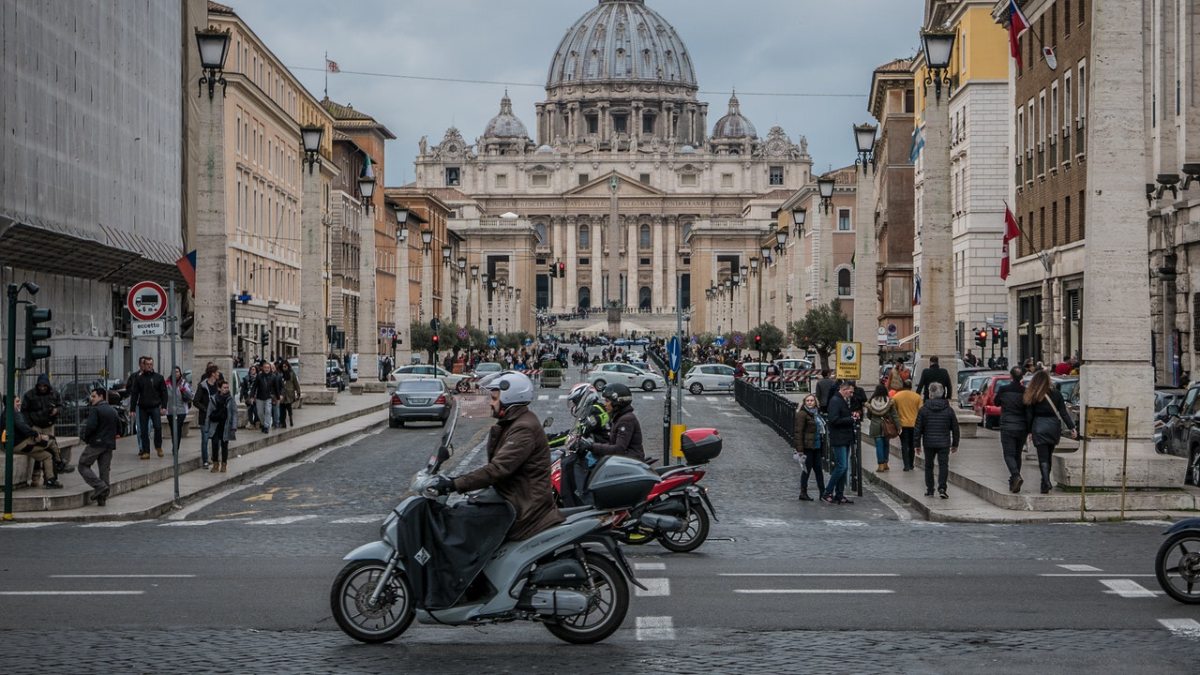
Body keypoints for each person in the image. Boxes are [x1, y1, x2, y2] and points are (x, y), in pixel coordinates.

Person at [432, 372, 564, 541]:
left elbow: (498, 469)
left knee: (462, 522)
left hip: (523, 507)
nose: (490, 403)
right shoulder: (515, 422)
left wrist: (454, 484)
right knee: (465, 510)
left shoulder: (523, 428)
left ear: (509, 399)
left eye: (494, 398)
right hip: (514, 497)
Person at [1024, 370, 1078, 494]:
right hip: (1053, 426)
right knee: (1049, 455)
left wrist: (1029, 431)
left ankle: (1046, 481)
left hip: (1039, 425)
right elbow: (1063, 413)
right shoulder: (1056, 394)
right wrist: (1072, 427)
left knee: (1042, 457)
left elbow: (1029, 415)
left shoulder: (1033, 395)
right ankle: (1045, 482)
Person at [914, 382, 960, 499]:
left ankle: (930, 489)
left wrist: (917, 444)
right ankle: (942, 488)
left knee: (929, 466)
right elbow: (955, 428)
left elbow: (918, 428)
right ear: (943, 393)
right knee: (943, 465)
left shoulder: (924, 410)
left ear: (930, 394)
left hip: (928, 442)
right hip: (944, 442)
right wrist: (955, 443)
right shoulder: (949, 410)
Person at [578, 383, 645, 462]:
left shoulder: (626, 420)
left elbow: (619, 449)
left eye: (607, 401)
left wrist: (591, 446)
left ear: (617, 402)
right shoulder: (618, 417)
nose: (605, 404)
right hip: (624, 459)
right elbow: (612, 444)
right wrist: (592, 445)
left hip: (630, 461)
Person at [22, 373, 72, 475]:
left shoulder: (54, 394)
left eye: (44, 386)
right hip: (35, 426)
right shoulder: (29, 395)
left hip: (49, 426)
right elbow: (24, 411)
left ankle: (51, 475)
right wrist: (31, 425)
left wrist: (57, 410)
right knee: (38, 450)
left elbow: (62, 406)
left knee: (51, 449)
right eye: (40, 386)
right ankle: (37, 475)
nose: (42, 388)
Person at [8, 395, 63, 489]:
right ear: (10, 403)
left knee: (47, 455)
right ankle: (60, 463)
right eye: (17, 401)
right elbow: (23, 428)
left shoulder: (8, 413)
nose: (19, 403)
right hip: (20, 445)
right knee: (51, 440)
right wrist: (37, 435)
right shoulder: (15, 414)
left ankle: (50, 480)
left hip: (17, 445)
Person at [78, 387, 118, 505]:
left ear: (101, 396)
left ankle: (100, 486)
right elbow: (119, 428)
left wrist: (86, 438)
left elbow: (90, 426)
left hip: (96, 443)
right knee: (104, 471)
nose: (91, 399)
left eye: (94, 396)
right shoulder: (113, 410)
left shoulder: (96, 410)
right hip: (109, 444)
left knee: (83, 465)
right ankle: (102, 499)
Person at [821, 381, 857, 505]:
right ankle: (827, 492)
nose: (851, 394)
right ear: (844, 389)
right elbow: (834, 420)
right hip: (839, 438)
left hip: (845, 437)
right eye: (850, 392)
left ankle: (839, 494)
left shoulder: (841, 400)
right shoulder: (836, 401)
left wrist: (851, 416)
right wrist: (850, 419)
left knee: (844, 467)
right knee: (842, 466)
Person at [995, 367, 1030, 493]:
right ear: (1022, 377)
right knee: (1017, 454)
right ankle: (1014, 481)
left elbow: (996, 402)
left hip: (1007, 425)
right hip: (1022, 426)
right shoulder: (1025, 391)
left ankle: (1015, 475)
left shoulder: (1003, 389)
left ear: (1011, 376)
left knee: (1008, 454)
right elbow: (1028, 409)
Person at [127, 355, 168, 459]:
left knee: (158, 427)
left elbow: (164, 393)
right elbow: (135, 394)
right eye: (147, 364)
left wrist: (164, 406)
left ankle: (158, 446)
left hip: (155, 407)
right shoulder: (139, 379)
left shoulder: (159, 377)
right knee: (143, 430)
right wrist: (132, 409)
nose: (149, 366)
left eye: (151, 364)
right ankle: (146, 451)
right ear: (143, 365)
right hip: (143, 407)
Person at [793, 393, 826, 501]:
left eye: (812, 400)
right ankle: (803, 492)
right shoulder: (802, 414)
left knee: (818, 470)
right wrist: (800, 449)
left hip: (817, 445)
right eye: (807, 401)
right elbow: (798, 432)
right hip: (807, 447)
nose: (810, 402)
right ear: (804, 402)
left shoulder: (816, 414)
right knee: (806, 470)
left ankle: (823, 493)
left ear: (815, 402)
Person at [865, 384, 901, 472]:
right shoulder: (889, 401)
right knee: (886, 445)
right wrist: (898, 426)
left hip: (875, 426)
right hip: (887, 426)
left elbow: (868, 415)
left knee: (879, 446)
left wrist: (874, 419)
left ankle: (880, 465)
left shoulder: (871, 401)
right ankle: (885, 463)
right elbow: (894, 415)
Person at [892, 380, 923, 471]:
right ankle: (911, 464)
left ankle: (906, 465)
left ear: (903, 386)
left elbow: (893, 410)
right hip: (914, 424)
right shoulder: (917, 397)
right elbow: (921, 411)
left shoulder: (896, 396)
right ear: (911, 387)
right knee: (912, 445)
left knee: (904, 445)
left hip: (902, 425)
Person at [193, 366, 220, 468]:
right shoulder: (202, 386)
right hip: (205, 418)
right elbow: (195, 401)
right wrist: (205, 409)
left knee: (217, 439)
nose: (218, 374)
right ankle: (205, 460)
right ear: (213, 373)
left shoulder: (218, 385)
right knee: (205, 439)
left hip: (215, 417)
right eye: (217, 372)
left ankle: (214, 458)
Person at [208, 380, 238, 473]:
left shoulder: (230, 399)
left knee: (224, 445)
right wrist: (206, 426)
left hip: (226, 425)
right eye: (224, 387)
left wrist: (234, 426)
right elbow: (209, 412)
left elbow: (234, 413)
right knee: (214, 444)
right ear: (219, 388)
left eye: (227, 387)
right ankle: (215, 464)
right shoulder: (213, 398)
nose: (226, 389)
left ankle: (224, 464)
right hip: (215, 425)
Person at [165, 366, 192, 449]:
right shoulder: (167, 383)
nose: (176, 373)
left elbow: (190, 396)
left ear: (180, 373)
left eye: (177, 371)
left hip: (181, 410)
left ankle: (176, 447)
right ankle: (174, 444)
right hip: (170, 410)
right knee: (173, 429)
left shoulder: (184, 383)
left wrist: (183, 389)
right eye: (174, 372)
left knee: (178, 427)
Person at [252, 362, 281, 434]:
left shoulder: (273, 377)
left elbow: (276, 388)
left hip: (268, 397)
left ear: (270, 368)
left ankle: (266, 426)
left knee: (268, 411)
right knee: (260, 413)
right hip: (259, 397)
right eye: (265, 367)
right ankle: (263, 423)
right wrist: (252, 396)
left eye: (268, 368)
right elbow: (254, 387)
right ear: (263, 368)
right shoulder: (259, 376)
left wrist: (278, 398)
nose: (266, 369)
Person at [278, 361, 300, 429]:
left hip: (289, 393)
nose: (284, 368)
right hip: (282, 394)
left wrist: (298, 392)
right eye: (283, 367)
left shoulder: (292, 373)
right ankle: (283, 422)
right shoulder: (280, 374)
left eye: (285, 366)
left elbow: (296, 383)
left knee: (288, 407)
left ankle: (290, 418)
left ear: (288, 366)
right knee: (282, 408)